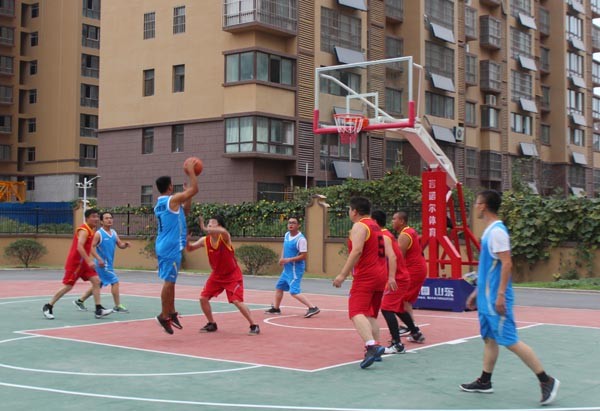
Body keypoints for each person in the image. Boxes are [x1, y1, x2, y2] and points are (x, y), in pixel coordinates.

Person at [460, 190, 559, 406]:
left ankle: (546, 380)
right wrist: (476, 293)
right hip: (486, 298)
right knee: (489, 339)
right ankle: (485, 381)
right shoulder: (489, 231)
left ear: (483, 205)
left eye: (477, 202)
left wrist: (501, 296)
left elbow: (507, 264)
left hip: (496, 299)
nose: (475, 206)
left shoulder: (497, 232)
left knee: (510, 340)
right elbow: (489, 268)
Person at [333, 197, 396, 369]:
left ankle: (371, 346)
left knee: (355, 312)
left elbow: (357, 251)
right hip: (380, 274)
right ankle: (377, 346)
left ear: (354, 211)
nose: (349, 212)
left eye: (349, 209)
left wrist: (342, 274)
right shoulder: (376, 227)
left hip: (366, 275)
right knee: (370, 315)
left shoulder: (360, 226)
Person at [186, 215, 260, 335]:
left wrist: (204, 228)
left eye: (212, 224)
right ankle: (211, 323)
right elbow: (190, 249)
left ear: (219, 226)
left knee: (236, 301)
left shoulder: (224, 237)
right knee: (203, 298)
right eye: (208, 224)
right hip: (217, 275)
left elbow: (224, 231)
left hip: (232, 275)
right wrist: (186, 240)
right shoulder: (205, 240)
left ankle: (254, 325)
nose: (209, 226)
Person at [42, 208, 113, 320]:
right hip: (76, 263)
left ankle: (99, 309)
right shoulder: (84, 230)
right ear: (87, 218)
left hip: (84, 263)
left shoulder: (92, 230)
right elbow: (80, 247)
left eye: (97, 216)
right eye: (93, 216)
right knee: (68, 287)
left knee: (97, 281)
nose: (96, 219)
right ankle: (48, 306)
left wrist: (97, 259)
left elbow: (89, 248)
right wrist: (89, 260)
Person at [154, 167, 199, 335]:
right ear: (170, 187)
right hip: (169, 247)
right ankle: (163, 315)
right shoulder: (171, 200)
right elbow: (195, 189)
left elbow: (185, 211)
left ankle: (171, 312)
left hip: (167, 245)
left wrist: (188, 196)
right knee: (168, 282)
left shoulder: (163, 204)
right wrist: (192, 172)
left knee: (171, 281)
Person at [371, 210, 414, 355]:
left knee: (386, 308)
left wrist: (391, 277)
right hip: (400, 277)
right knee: (397, 308)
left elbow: (393, 257)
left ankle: (397, 344)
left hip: (399, 278)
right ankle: (415, 331)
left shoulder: (384, 236)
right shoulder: (384, 235)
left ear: (375, 222)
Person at [73, 212, 131, 313]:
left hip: (108, 264)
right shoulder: (99, 234)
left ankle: (80, 301)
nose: (109, 220)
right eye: (106, 218)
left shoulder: (113, 232)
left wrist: (125, 244)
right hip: (102, 264)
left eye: (111, 218)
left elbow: (120, 244)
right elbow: (91, 247)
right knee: (115, 282)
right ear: (101, 221)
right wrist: (99, 258)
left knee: (98, 284)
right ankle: (117, 306)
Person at [264, 217, 320, 318]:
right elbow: (284, 248)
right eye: (289, 222)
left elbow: (303, 256)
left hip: (295, 269)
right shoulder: (287, 235)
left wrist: (288, 260)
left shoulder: (301, 239)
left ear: (298, 225)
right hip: (287, 269)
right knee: (279, 287)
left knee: (294, 291)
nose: (291, 224)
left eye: (293, 223)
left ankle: (313, 307)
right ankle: (276, 308)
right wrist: (282, 258)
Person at [391, 210, 426, 343]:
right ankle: (410, 327)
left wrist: (392, 274)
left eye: (394, 219)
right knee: (406, 300)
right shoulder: (410, 231)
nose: (392, 221)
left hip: (413, 270)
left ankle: (414, 329)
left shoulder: (405, 235)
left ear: (401, 221)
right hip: (418, 268)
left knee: (402, 299)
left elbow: (399, 257)